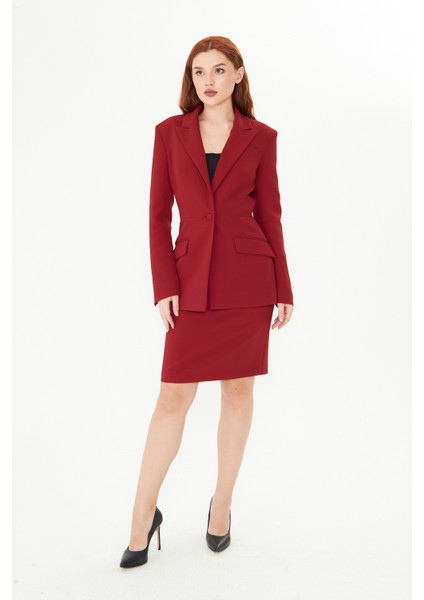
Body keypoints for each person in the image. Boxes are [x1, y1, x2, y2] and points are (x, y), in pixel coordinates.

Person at [120, 35, 294, 568]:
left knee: (238, 391)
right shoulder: (168, 134)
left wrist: (283, 287)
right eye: (199, 72)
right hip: (189, 283)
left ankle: (222, 505)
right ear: (190, 79)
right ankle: (142, 516)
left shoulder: (261, 137)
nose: (209, 81)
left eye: (219, 70)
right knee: (172, 398)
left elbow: (270, 214)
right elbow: (157, 217)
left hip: (248, 284)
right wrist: (164, 284)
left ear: (238, 74)